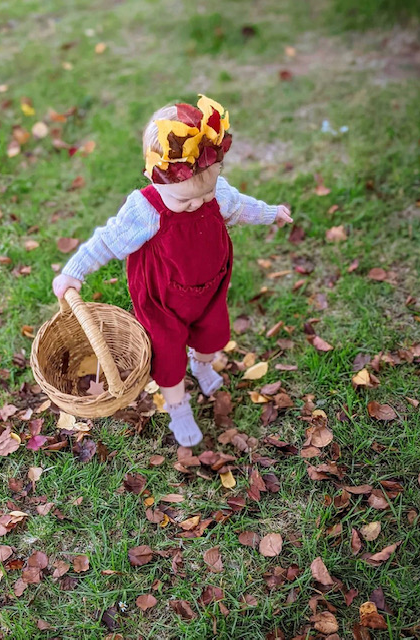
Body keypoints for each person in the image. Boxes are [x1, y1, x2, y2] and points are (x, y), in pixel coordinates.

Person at [52, 94, 293, 446]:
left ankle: (203, 364)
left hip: (209, 287)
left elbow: (241, 207)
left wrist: (271, 213)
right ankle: (178, 404)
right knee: (167, 355)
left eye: (205, 195)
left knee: (211, 336)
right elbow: (106, 241)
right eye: (185, 200)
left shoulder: (215, 191)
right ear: (156, 178)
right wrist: (74, 271)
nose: (197, 203)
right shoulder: (145, 210)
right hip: (161, 296)